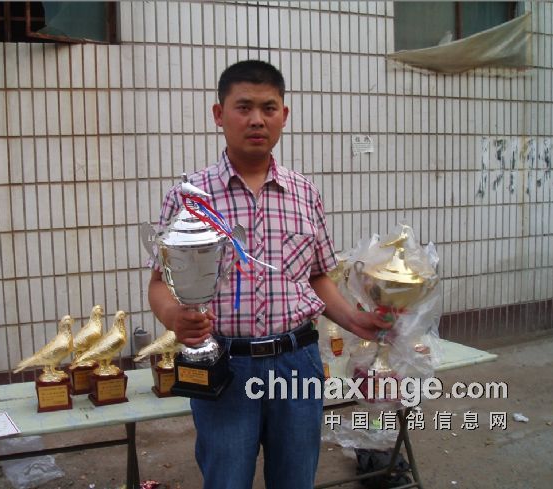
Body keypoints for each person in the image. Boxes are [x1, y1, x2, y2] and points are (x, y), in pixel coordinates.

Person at [148, 60, 390, 489]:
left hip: (297, 362)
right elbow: (159, 284)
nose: (257, 119)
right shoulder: (190, 197)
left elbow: (317, 276)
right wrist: (174, 317)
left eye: (268, 108)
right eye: (243, 107)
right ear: (219, 114)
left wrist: (357, 320)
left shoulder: (304, 193)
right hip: (224, 364)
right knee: (226, 480)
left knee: (295, 479)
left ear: (284, 115)